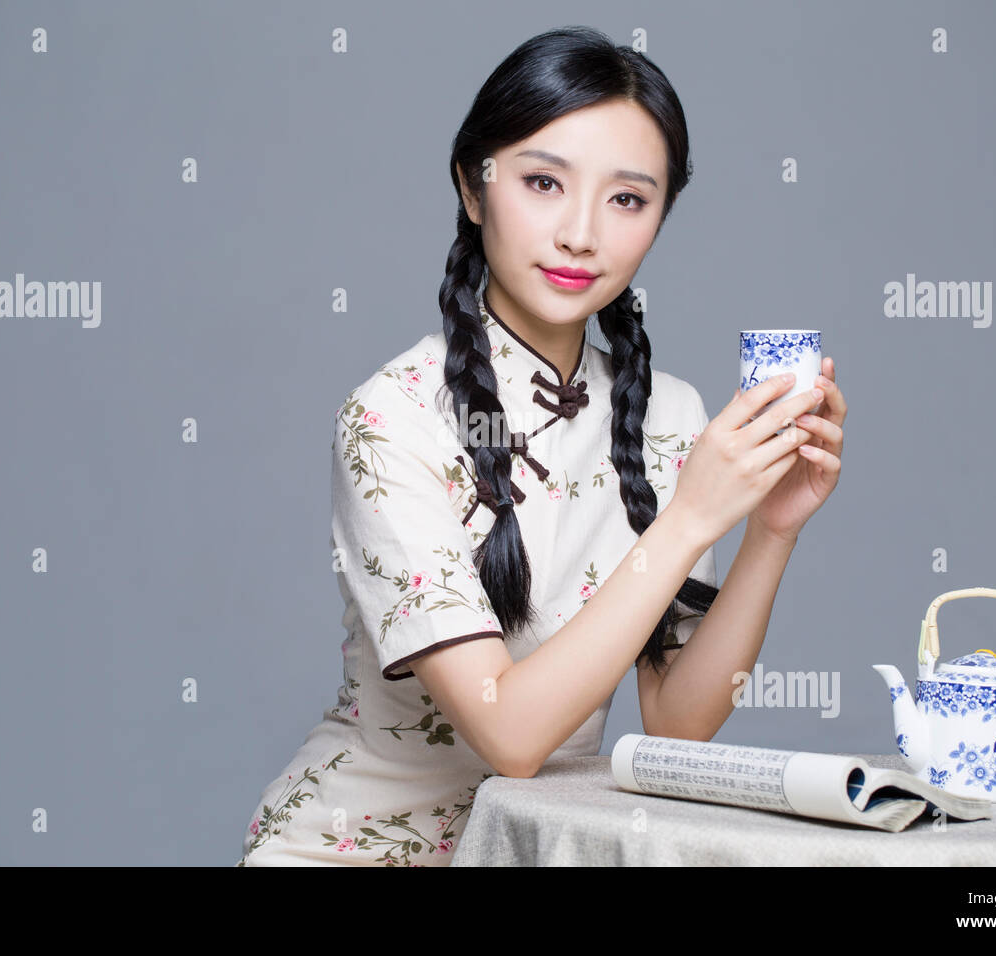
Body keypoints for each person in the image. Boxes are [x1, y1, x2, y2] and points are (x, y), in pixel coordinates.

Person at [238, 25, 847, 867]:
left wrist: (769, 530)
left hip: (541, 852)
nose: (581, 233)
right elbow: (510, 735)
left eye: (628, 199)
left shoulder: (670, 416)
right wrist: (692, 519)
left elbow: (679, 721)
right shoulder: (394, 417)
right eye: (542, 182)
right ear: (473, 186)